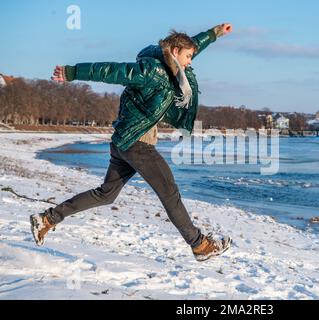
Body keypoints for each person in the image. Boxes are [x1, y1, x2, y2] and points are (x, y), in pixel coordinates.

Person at [30, 23, 233, 262]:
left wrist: (215, 32)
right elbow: (111, 71)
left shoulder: (172, 67)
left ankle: (48, 218)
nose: (190, 61)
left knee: (106, 195)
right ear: (175, 51)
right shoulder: (150, 70)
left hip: (123, 143)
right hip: (138, 145)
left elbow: (195, 45)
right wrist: (72, 72)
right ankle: (199, 245)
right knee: (170, 193)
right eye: (187, 56)